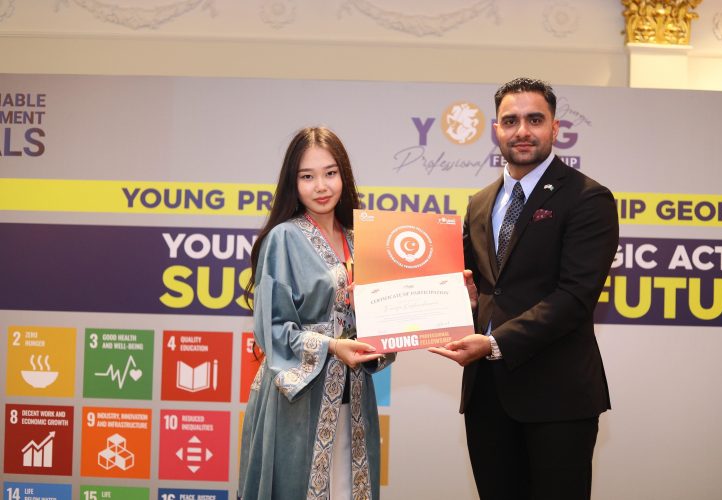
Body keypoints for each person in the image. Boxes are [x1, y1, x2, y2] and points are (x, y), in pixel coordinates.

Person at [430, 78, 619, 499]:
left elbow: (574, 298)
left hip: (558, 398)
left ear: (555, 128)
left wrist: (494, 342)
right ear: (496, 129)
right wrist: (465, 301)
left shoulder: (588, 199)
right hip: (486, 396)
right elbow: (479, 285)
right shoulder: (480, 202)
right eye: (511, 120)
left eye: (535, 119)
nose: (522, 131)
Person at [238, 126, 394, 499]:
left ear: (344, 175)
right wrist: (332, 346)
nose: (321, 186)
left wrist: (384, 323)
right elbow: (273, 331)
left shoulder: (362, 239)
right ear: (293, 183)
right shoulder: (284, 238)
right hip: (298, 404)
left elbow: (383, 324)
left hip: (354, 398)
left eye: (330, 173)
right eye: (307, 176)